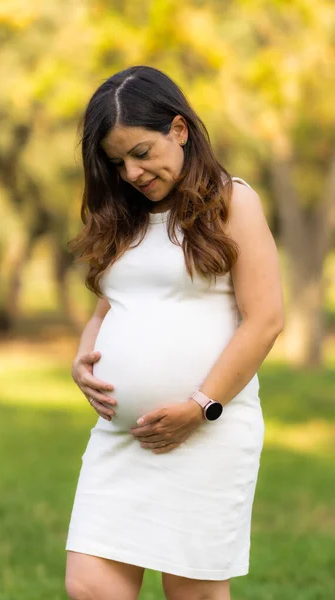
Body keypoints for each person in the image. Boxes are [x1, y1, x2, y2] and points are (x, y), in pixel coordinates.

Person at [64, 65, 284, 600]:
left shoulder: (233, 202)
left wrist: (201, 405)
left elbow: (266, 319)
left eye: (141, 153)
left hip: (207, 432)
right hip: (121, 439)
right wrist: (83, 357)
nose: (132, 173)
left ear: (179, 130)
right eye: (117, 163)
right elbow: (108, 306)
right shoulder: (125, 217)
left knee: (193, 591)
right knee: (90, 586)